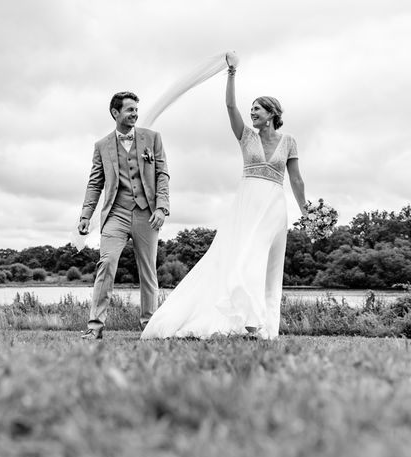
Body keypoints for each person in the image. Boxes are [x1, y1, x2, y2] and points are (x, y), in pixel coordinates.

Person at [141, 54, 307, 340]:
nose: (252, 112)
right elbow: (230, 105)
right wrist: (231, 73)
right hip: (248, 203)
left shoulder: (289, 141)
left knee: (266, 263)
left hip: (274, 207)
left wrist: (307, 211)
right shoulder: (246, 136)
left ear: (272, 113)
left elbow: (296, 178)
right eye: (252, 108)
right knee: (244, 256)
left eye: (258, 109)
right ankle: (250, 324)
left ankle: (263, 323)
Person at [78, 91, 170, 340]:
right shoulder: (102, 146)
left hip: (146, 213)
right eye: (130, 109)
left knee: (148, 270)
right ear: (115, 113)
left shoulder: (152, 139)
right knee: (106, 264)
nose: (135, 114)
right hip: (115, 214)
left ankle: (149, 326)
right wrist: (86, 214)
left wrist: (162, 207)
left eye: (136, 109)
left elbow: (162, 174)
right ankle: (95, 327)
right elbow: (94, 183)